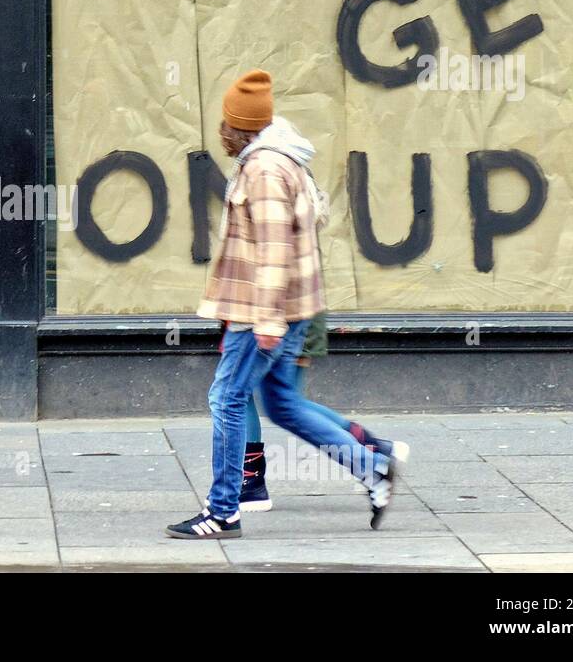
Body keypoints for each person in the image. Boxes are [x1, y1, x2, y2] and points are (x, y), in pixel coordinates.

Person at [166, 69, 400, 540]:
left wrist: (267, 318)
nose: (220, 136)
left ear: (239, 128)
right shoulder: (277, 160)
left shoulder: (266, 169)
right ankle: (374, 468)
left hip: (263, 312)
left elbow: (273, 248)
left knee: (227, 399)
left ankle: (222, 510)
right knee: (283, 404)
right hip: (290, 308)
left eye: (225, 127)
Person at [238, 309, 411, 512]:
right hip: (279, 317)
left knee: (278, 403)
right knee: (279, 403)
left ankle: (251, 480)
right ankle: (372, 449)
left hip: (280, 318)